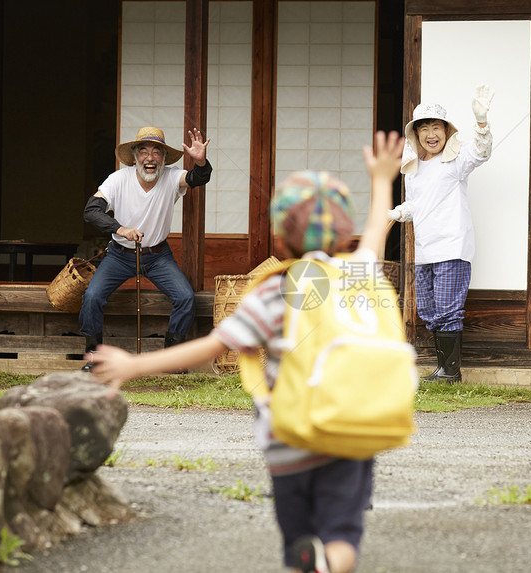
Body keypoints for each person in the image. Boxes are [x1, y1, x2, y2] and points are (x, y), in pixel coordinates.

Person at [87, 131, 406, 573]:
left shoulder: (273, 291)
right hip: (351, 432)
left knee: (299, 537)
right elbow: (375, 231)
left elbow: (214, 345)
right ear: (342, 234)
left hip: (291, 438)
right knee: (342, 534)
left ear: (280, 236)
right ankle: (333, 561)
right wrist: (383, 179)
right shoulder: (359, 273)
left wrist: (133, 363)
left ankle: (306, 558)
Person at [79, 126, 212, 372]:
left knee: (186, 298)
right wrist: (121, 229)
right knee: (91, 297)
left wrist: (201, 162)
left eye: (156, 152)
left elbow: (198, 178)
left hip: (158, 256)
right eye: (144, 151)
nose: (150, 158)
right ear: (135, 157)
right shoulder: (119, 179)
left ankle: (171, 359)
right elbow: (91, 211)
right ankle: (94, 357)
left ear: (163, 158)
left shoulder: (172, 177)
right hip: (119, 255)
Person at [389, 85, 495, 382]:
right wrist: (398, 212)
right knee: (428, 309)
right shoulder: (413, 168)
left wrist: (482, 123)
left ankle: (450, 371)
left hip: (452, 246)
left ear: (446, 132)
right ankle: (443, 368)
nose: (431, 134)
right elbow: (416, 206)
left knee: (448, 309)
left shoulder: (455, 162)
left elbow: (481, 154)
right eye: (424, 128)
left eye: (437, 127)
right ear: (416, 135)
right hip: (425, 249)